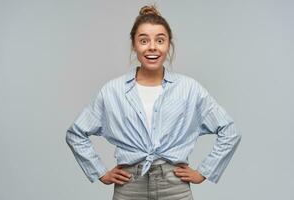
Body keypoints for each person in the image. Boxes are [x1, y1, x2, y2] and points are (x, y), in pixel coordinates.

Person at [65, 5, 241, 200]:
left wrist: (204, 172)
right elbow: (76, 134)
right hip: (129, 187)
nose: (152, 47)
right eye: (143, 40)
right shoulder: (113, 90)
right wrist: (99, 172)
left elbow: (230, 131)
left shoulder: (189, 89)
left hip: (175, 188)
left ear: (168, 45)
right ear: (134, 45)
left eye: (160, 40)